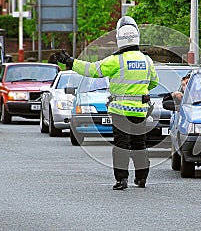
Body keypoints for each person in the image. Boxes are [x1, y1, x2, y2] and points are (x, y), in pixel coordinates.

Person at [53, 16, 159, 190]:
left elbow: (92, 70)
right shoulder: (146, 60)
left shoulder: (117, 60)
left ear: (119, 37)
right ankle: (141, 178)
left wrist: (71, 62)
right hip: (140, 111)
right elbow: (154, 82)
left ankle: (121, 180)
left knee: (121, 145)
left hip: (120, 111)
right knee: (139, 144)